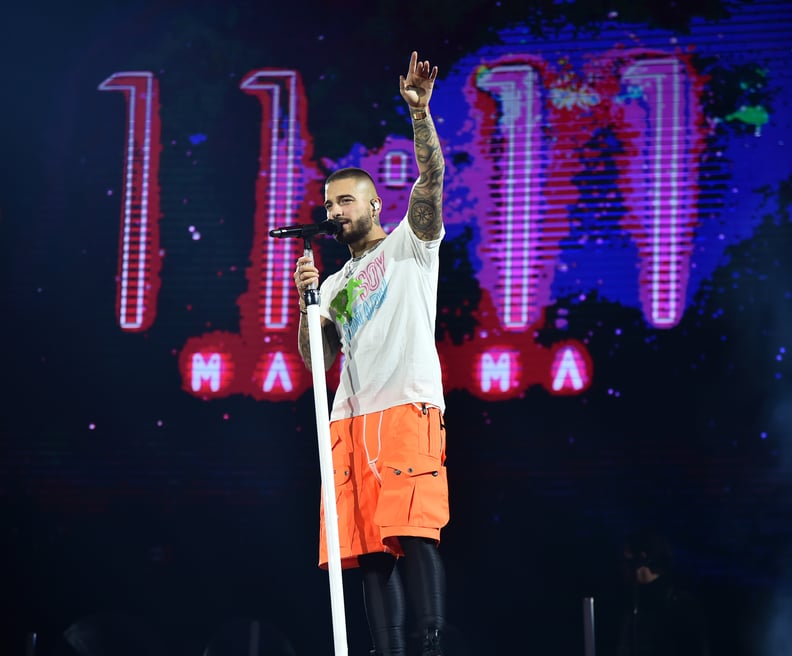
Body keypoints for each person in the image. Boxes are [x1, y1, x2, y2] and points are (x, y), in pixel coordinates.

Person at [293, 51, 448, 656]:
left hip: (406, 406)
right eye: (329, 205)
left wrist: (419, 114)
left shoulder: (412, 244)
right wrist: (308, 303)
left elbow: (431, 182)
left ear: (374, 203)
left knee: (413, 530)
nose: (335, 213)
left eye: (346, 202)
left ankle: (430, 643)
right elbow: (316, 361)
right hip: (349, 420)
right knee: (365, 549)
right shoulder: (332, 283)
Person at [616, 528, 710, 656]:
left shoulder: (680, 606)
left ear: (642, 559)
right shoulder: (630, 603)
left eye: (625, 561)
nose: (621, 567)